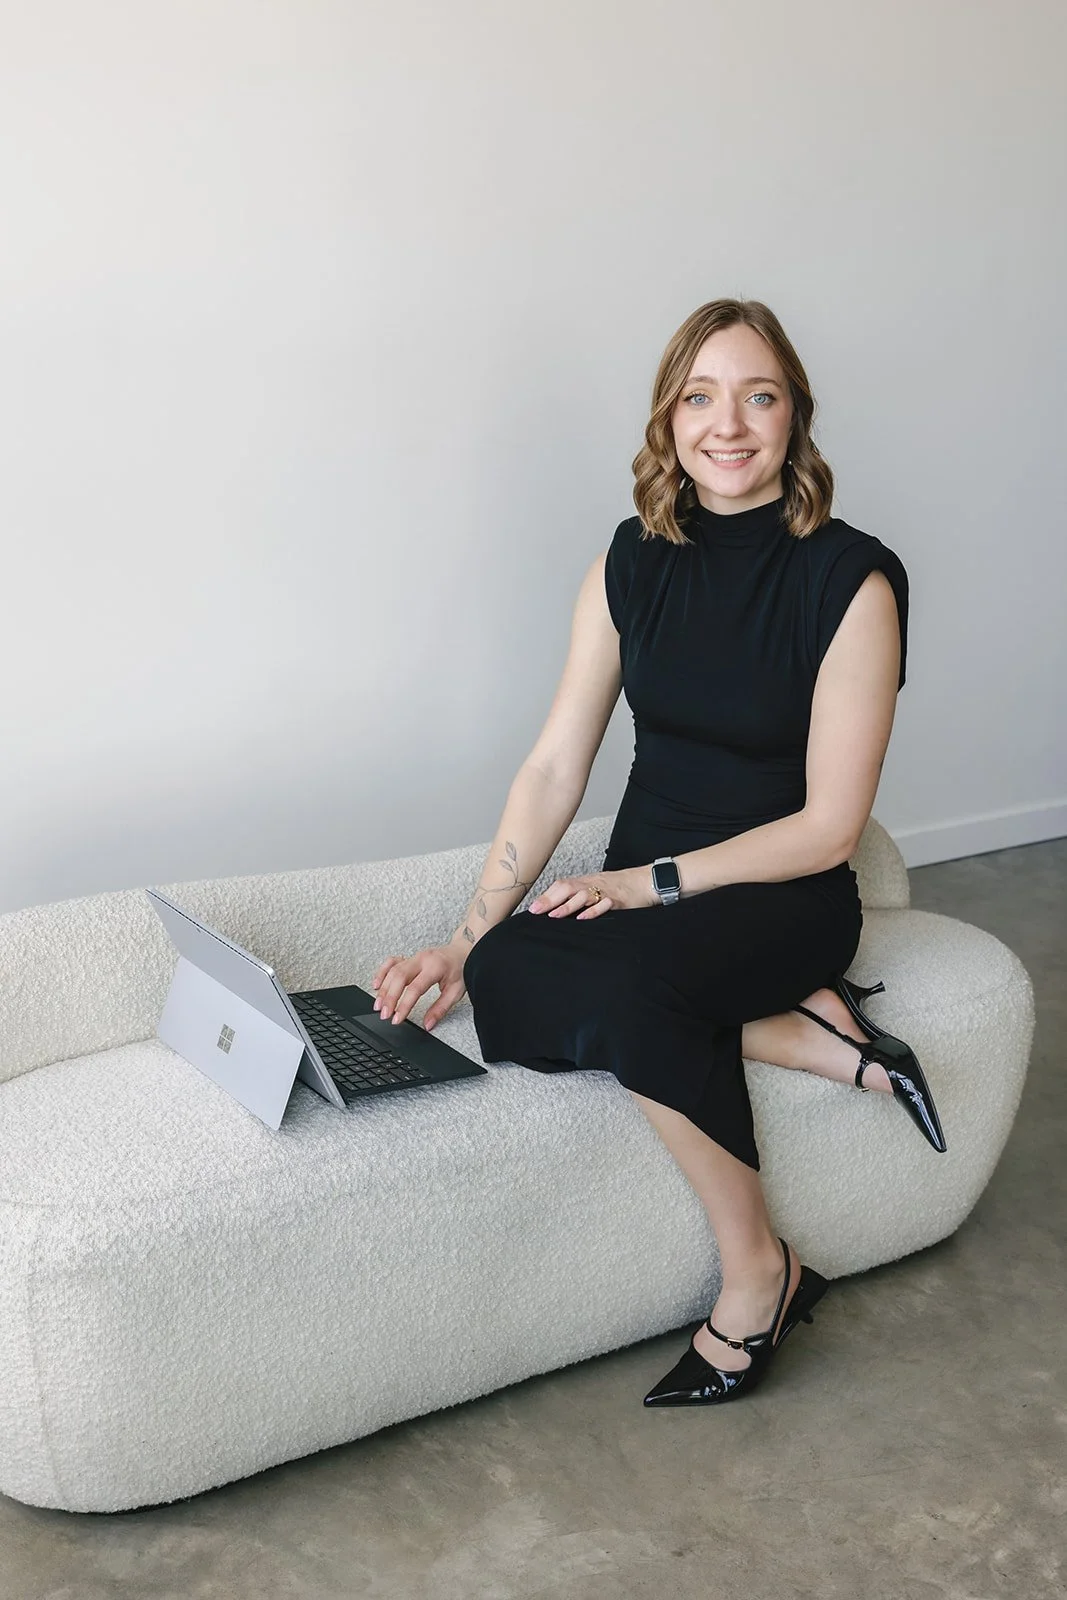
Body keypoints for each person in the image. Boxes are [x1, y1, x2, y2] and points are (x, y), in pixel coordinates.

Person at [370, 297, 946, 1409]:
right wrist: (462, 935)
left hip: (779, 891)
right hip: (647, 892)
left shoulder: (852, 579)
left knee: (636, 994)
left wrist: (645, 884)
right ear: (666, 419)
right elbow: (550, 767)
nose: (726, 423)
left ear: (794, 418)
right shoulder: (628, 564)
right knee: (502, 965)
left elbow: (832, 824)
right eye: (699, 396)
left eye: (757, 395)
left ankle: (758, 1275)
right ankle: (816, 1031)